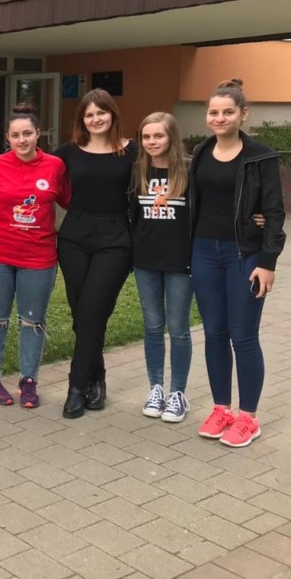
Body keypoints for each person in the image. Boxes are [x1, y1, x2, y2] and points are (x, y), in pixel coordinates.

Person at [190, 79, 285, 448]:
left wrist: (268, 261)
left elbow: (274, 213)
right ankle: (221, 409)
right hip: (203, 252)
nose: (220, 118)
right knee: (214, 333)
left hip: (244, 255)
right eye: (214, 112)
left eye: (228, 112)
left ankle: (248, 417)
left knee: (243, 336)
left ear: (243, 114)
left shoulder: (260, 156)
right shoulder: (201, 151)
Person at [0, 103, 69, 409]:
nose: (22, 140)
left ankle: (29, 381)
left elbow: (69, 202)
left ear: (38, 133)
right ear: (8, 137)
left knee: (32, 321)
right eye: (15, 135)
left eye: (27, 133)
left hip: (39, 258)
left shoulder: (55, 166)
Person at [54, 89, 137, 419]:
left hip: (115, 239)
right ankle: (97, 379)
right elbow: (34, 171)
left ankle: (76, 387)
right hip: (74, 237)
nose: (96, 119)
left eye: (101, 112)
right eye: (89, 114)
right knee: (82, 314)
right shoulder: (68, 152)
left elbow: (167, 173)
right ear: (82, 120)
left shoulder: (132, 151)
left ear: (112, 114)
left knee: (92, 310)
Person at [130, 112, 193, 423]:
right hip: (146, 261)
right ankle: (156, 388)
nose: (152, 141)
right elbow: (131, 215)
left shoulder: (189, 171)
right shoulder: (138, 171)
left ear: (171, 137)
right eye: (146, 136)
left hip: (181, 262)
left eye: (159, 135)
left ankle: (178, 393)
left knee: (178, 328)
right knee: (153, 325)